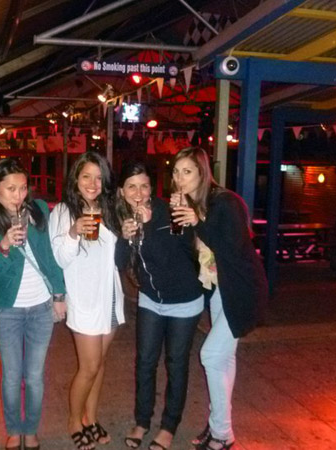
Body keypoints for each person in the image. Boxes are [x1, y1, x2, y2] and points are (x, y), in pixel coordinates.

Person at [170, 147, 268, 450]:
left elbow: (232, 247)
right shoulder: (193, 204)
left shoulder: (226, 202)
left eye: (187, 171)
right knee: (224, 359)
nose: (180, 178)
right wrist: (182, 223)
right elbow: (192, 251)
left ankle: (223, 433)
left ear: (202, 173)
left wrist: (196, 221)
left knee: (211, 355)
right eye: (176, 172)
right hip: (218, 288)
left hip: (241, 288)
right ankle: (218, 427)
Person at [115, 161, 204, 450]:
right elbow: (119, 263)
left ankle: (169, 426)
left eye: (144, 186)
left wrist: (150, 225)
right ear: (122, 192)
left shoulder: (171, 211)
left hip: (184, 299)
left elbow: (176, 252)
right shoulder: (125, 217)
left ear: (152, 188)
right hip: (151, 299)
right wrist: (124, 238)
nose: (138, 192)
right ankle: (142, 421)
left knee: (176, 363)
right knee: (145, 361)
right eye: (131, 187)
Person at [0, 158, 66, 450]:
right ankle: (14, 429)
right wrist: (4, 245)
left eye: (23, 187)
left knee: (35, 376)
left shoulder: (39, 210)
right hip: (8, 312)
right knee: (11, 375)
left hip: (41, 308)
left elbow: (49, 257)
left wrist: (59, 295)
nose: (19, 195)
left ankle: (30, 429)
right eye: (11, 189)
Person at [49, 151, 124, 450]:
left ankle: (90, 418)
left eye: (98, 178)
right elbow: (60, 258)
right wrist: (73, 232)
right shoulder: (63, 211)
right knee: (89, 367)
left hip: (110, 297)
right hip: (85, 298)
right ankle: (73, 421)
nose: (92, 184)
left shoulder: (109, 207)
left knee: (100, 363)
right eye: (86, 177)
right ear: (75, 179)